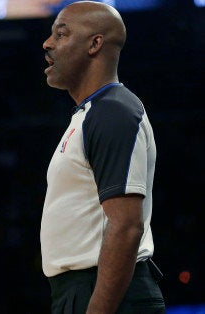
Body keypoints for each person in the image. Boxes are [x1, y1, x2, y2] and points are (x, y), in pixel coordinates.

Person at [40, 1, 165, 313]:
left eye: (61, 34)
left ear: (95, 44)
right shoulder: (91, 113)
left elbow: (126, 226)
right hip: (84, 291)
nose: (47, 43)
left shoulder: (113, 112)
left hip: (106, 294)